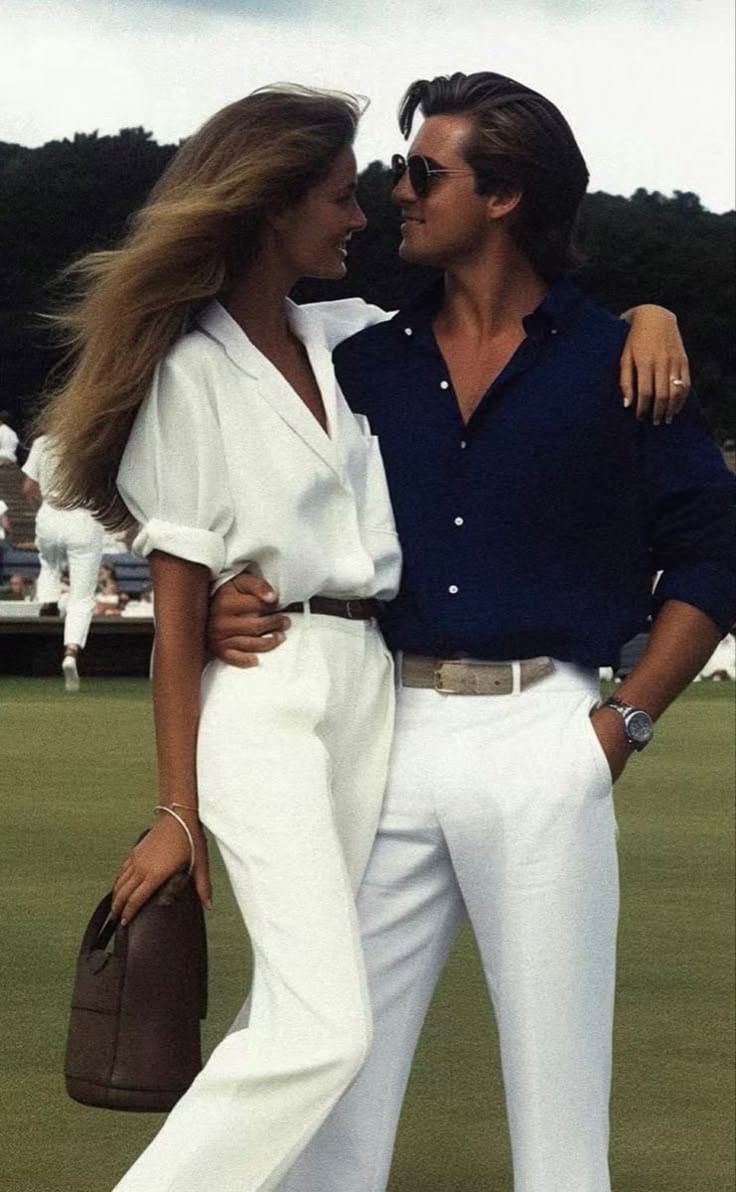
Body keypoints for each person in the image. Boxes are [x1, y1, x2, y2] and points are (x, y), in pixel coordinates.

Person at [208, 73, 736, 1192]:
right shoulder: (360, 359)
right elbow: (266, 494)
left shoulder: (620, 362)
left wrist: (623, 723)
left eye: (422, 172)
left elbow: (712, 555)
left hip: (550, 735)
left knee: (558, 1105)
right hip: (384, 736)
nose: (397, 191)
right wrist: (222, 592)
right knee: (332, 1073)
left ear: (504, 195)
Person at [41, 86, 401, 1192]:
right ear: (271, 206)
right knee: (327, 1029)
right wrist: (174, 810)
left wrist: (648, 316)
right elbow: (178, 614)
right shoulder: (191, 372)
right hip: (266, 692)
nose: (360, 219)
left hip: (369, 686)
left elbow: (511, 320)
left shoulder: (346, 338)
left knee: (291, 1016)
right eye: (340, 197)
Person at [22, 434, 104, 691]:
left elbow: (29, 488)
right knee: (82, 596)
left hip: (50, 514)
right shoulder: (92, 443)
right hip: (83, 518)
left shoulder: (43, 442)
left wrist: (43, 508)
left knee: (49, 565)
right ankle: (71, 652)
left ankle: (48, 602)